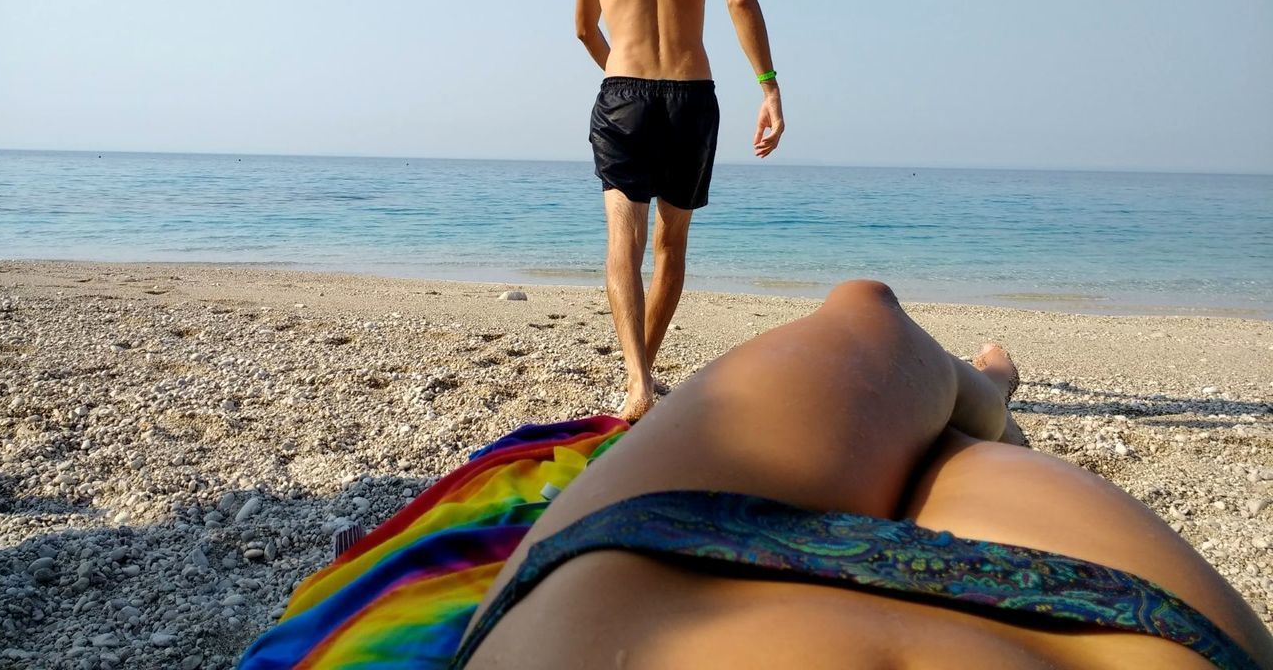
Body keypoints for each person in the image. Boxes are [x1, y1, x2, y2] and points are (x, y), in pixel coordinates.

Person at [454, 280, 1273, 669]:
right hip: (1108, 624)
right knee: (894, 359)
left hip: (639, 590)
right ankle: (984, 391)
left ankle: (975, 398)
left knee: (890, 356)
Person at [575, 0, 786, 422]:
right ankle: (646, 373)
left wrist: (617, 66)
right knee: (671, 245)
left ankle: (637, 381)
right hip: (691, 95)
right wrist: (768, 87)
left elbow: (583, 27)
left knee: (625, 239)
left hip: (624, 95)